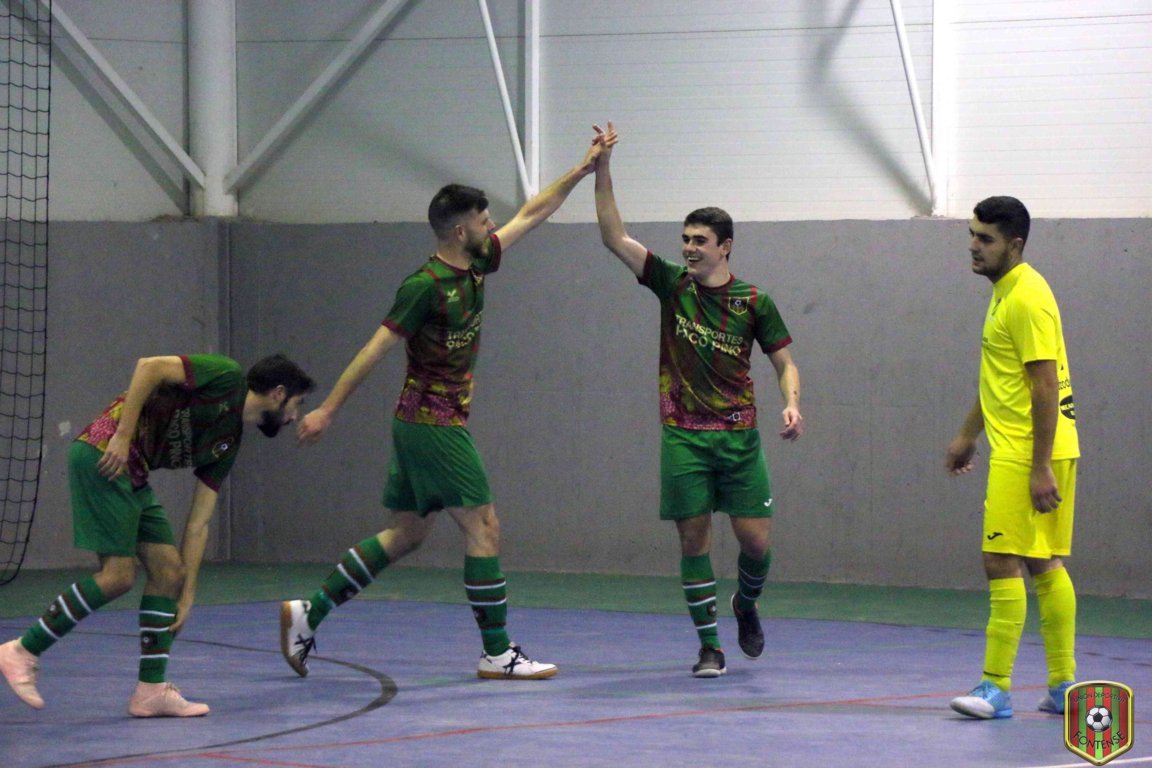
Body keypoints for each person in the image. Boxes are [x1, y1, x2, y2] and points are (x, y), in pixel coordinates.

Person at [281, 134, 610, 681]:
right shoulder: (425, 286)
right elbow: (374, 349)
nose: (492, 226)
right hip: (432, 424)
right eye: (483, 220)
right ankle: (497, 652)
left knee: (406, 534)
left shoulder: (477, 264)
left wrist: (581, 171)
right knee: (485, 525)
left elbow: (532, 213)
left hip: (422, 424)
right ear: (460, 231)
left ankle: (307, 614)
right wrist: (328, 411)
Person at [593, 123, 804, 677]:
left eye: (699, 241)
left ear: (724, 246)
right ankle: (709, 646)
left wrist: (792, 402)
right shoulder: (671, 284)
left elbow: (785, 361)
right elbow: (614, 236)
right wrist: (603, 168)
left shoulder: (754, 301)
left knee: (755, 544)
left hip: (738, 438)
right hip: (684, 436)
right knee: (693, 540)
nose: (688, 248)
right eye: (685, 239)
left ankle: (746, 604)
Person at [0, 353, 315, 717]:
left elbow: (198, 524)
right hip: (105, 454)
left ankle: (150, 691)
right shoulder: (226, 377)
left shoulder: (228, 442)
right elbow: (148, 367)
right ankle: (22, 650)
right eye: (297, 404)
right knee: (118, 577)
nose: (294, 417)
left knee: (170, 573)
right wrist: (122, 435)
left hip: (135, 472)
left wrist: (188, 595)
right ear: (278, 393)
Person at [947, 196, 1079, 720]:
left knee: (1000, 558)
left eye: (986, 239)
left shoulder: (1026, 297)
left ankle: (995, 688)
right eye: (972, 235)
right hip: (1036, 446)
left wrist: (1039, 466)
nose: (974, 247)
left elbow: (1044, 385)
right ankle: (1065, 686)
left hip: (1028, 450)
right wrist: (968, 434)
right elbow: (1004, 380)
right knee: (1043, 561)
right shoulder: (1007, 292)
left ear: (1015, 244)